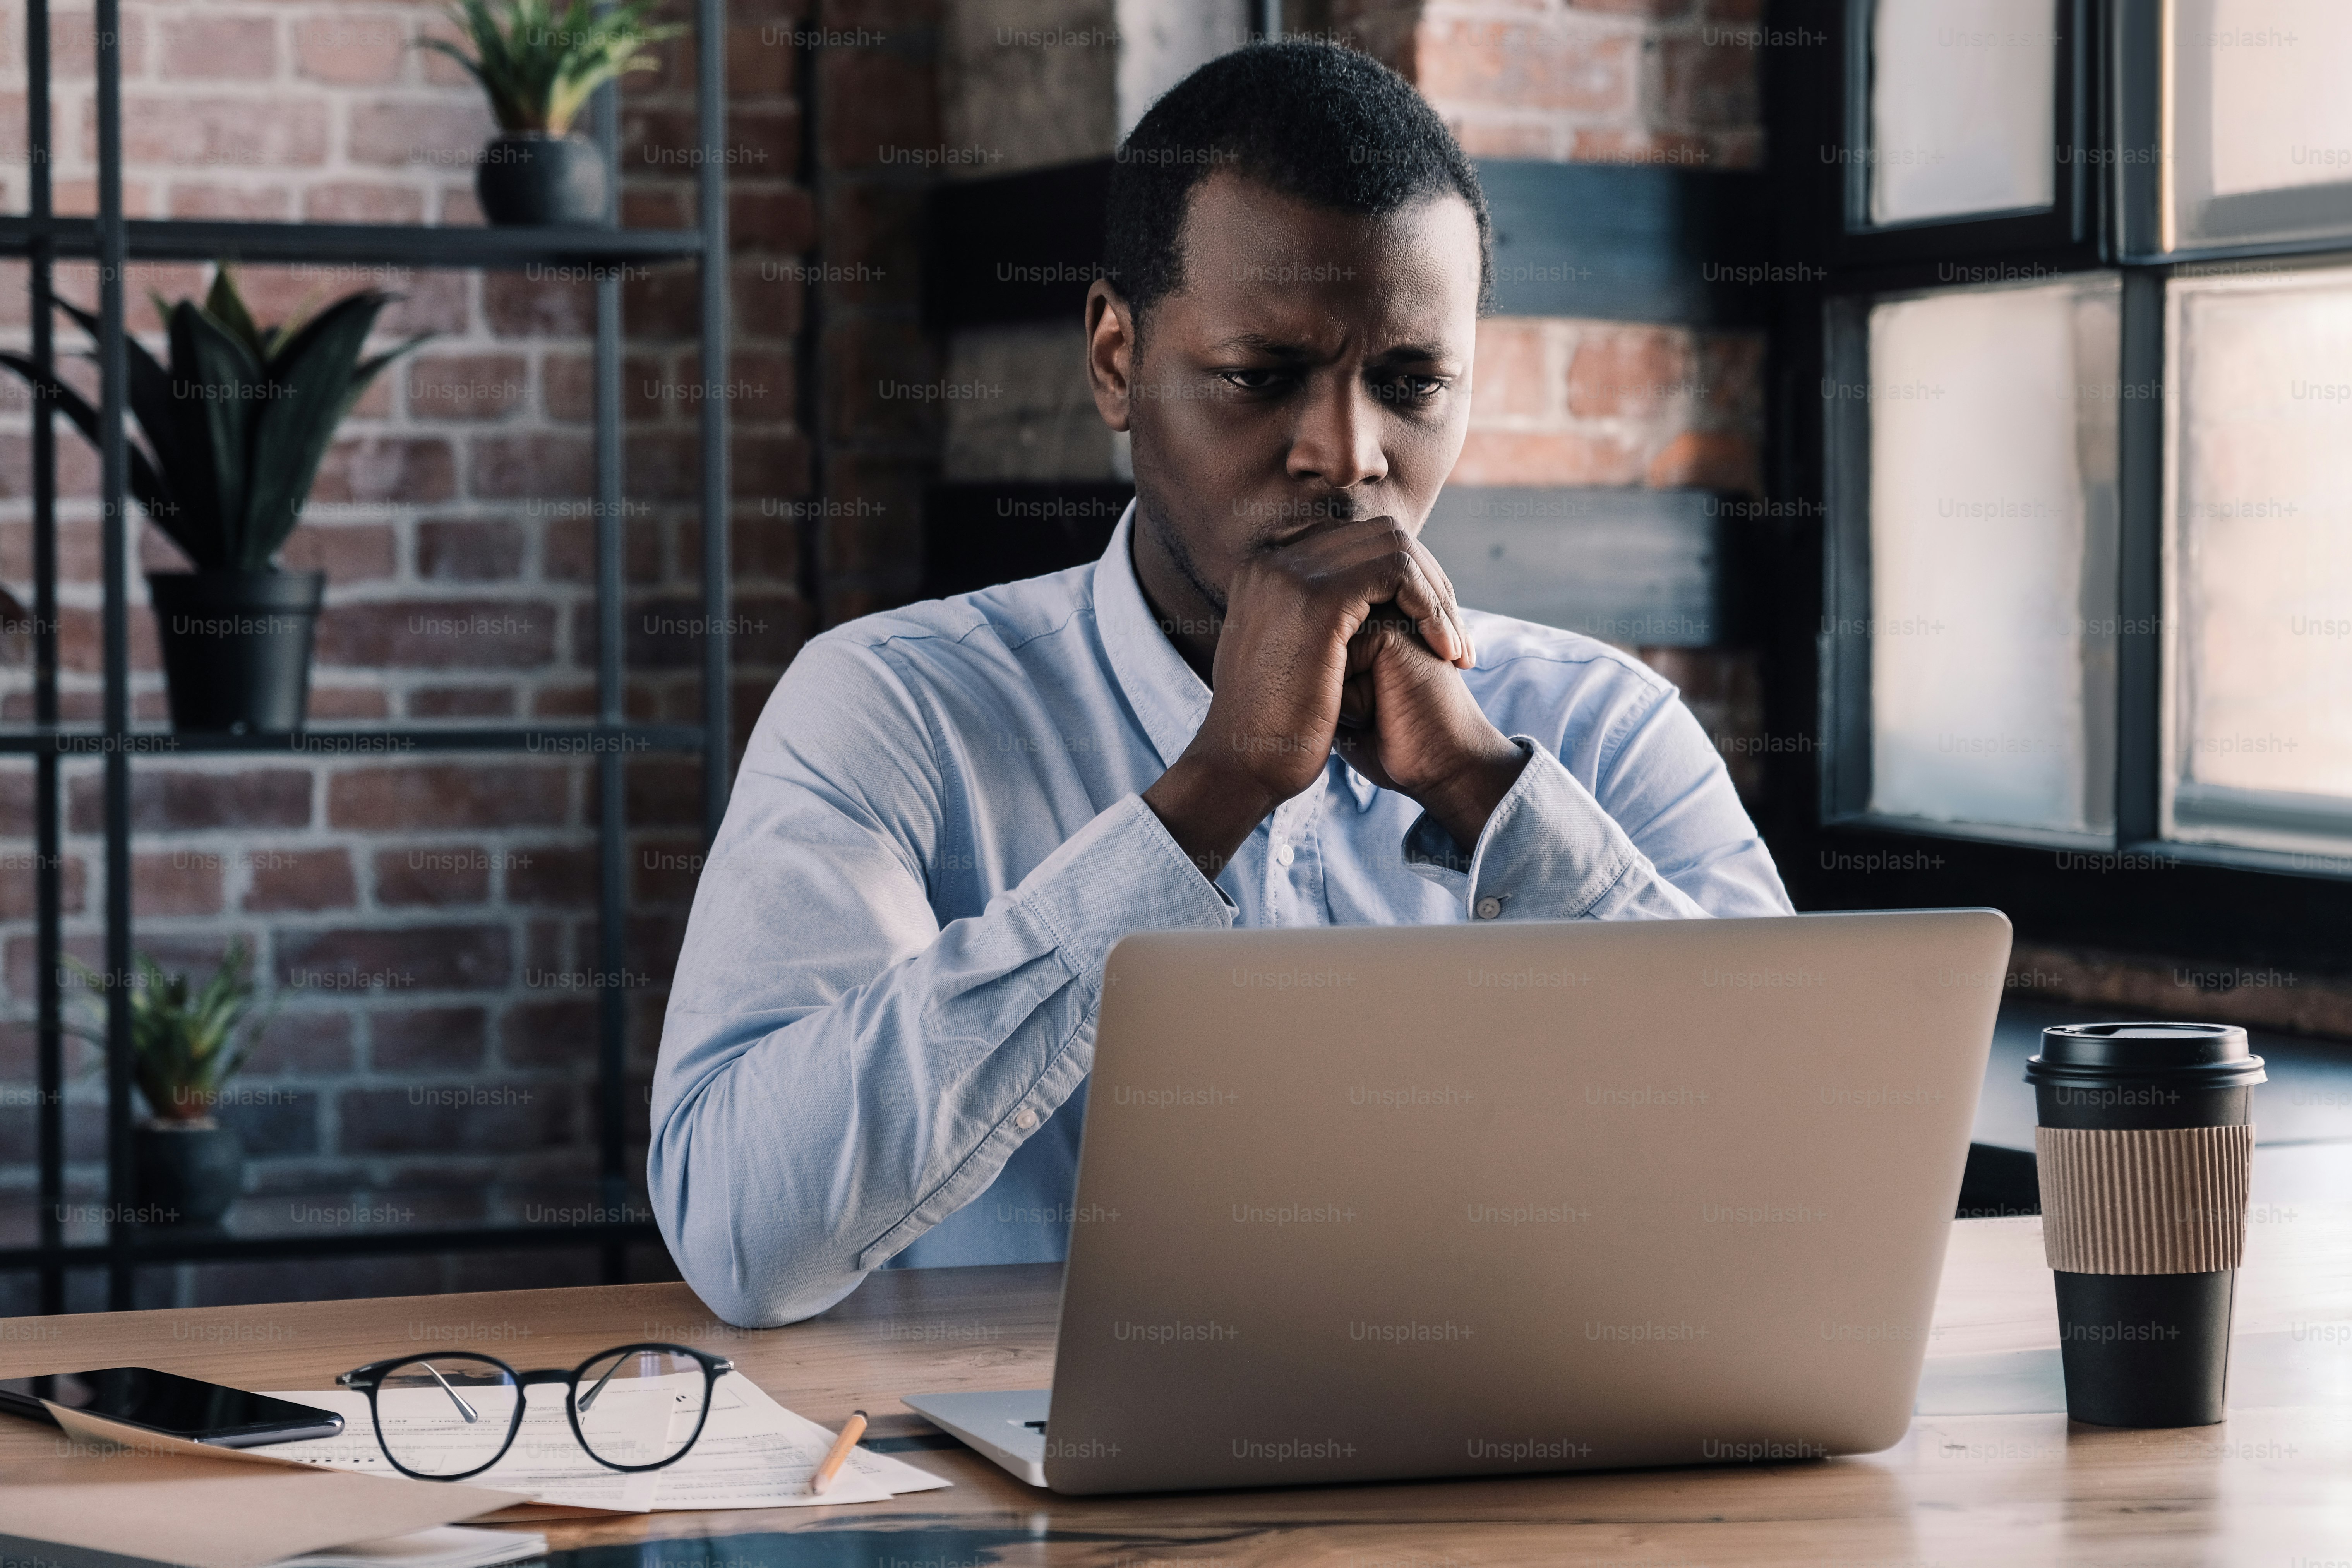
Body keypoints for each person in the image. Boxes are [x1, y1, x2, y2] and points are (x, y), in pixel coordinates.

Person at [650, 40, 1792, 1327]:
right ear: (1114, 361)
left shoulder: (1597, 725)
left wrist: (1483, 790)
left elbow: (1801, 1200)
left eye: (1412, 383)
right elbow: (743, 1234)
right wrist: (1208, 794)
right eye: (1261, 377)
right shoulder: (892, 709)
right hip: (1001, 1509)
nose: (1345, 454)